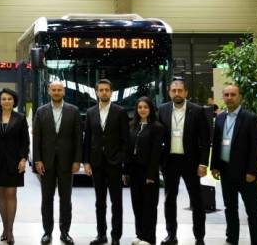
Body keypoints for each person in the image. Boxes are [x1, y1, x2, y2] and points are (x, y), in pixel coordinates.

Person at [158, 78, 210, 245]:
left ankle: (199, 237)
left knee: (197, 200)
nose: (177, 93)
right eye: (174, 91)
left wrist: (203, 163)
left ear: (186, 92)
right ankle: (171, 235)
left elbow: (205, 139)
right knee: (169, 200)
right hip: (170, 161)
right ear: (169, 93)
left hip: (191, 163)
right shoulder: (162, 110)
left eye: (180, 90)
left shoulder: (198, 110)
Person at [210, 85, 257, 245]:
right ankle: (231, 239)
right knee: (230, 208)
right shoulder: (220, 118)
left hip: (245, 173)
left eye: (233, 94)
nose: (229, 97)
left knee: (253, 211)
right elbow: (217, 144)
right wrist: (214, 166)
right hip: (226, 171)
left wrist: (252, 171)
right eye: (226, 95)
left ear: (240, 97)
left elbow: (256, 147)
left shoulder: (250, 118)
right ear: (223, 97)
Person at [33, 80, 82, 245]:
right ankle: (47, 232)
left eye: (59, 90)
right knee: (47, 199)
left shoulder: (73, 111)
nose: (56, 92)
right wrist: (37, 160)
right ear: (49, 91)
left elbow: (78, 138)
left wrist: (77, 160)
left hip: (67, 162)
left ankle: (65, 232)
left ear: (64, 92)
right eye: (53, 90)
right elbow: (37, 138)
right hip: (46, 162)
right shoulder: (41, 111)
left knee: (65, 199)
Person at [83, 79, 129, 245]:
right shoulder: (90, 112)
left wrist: (121, 158)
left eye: (106, 90)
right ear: (96, 92)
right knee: (99, 202)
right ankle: (101, 235)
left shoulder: (120, 111)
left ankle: (116, 236)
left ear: (111, 92)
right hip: (96, 162)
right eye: (101, 90)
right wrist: (86, 161)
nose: (104, 92)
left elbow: (125, 139)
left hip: (114, 162)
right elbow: (87, 139)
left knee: (116, 201)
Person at [0, 88, 29, 245]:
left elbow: (25, 141)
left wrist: (23, 159)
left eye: (9, 99)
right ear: (0, 101)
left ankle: (10, 231)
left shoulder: (20, 118)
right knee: (1, 193)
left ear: (14, 101)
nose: (6, 101)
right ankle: (4, 228)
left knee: (11, 193)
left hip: (14, 161)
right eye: (3, 99)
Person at [127, 97, 164, 245]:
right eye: (140, 107)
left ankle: (149, 238)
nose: (142, 110)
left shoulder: (157, 127)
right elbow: (128, 150)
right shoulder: (132, 126)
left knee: (149, 205)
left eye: (146, 107)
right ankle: (140, 235)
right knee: (137, 204)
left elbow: (156, 153)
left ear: (151, 109)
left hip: (148, 172)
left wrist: (151, 174)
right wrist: (126, 171)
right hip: (134, 171)